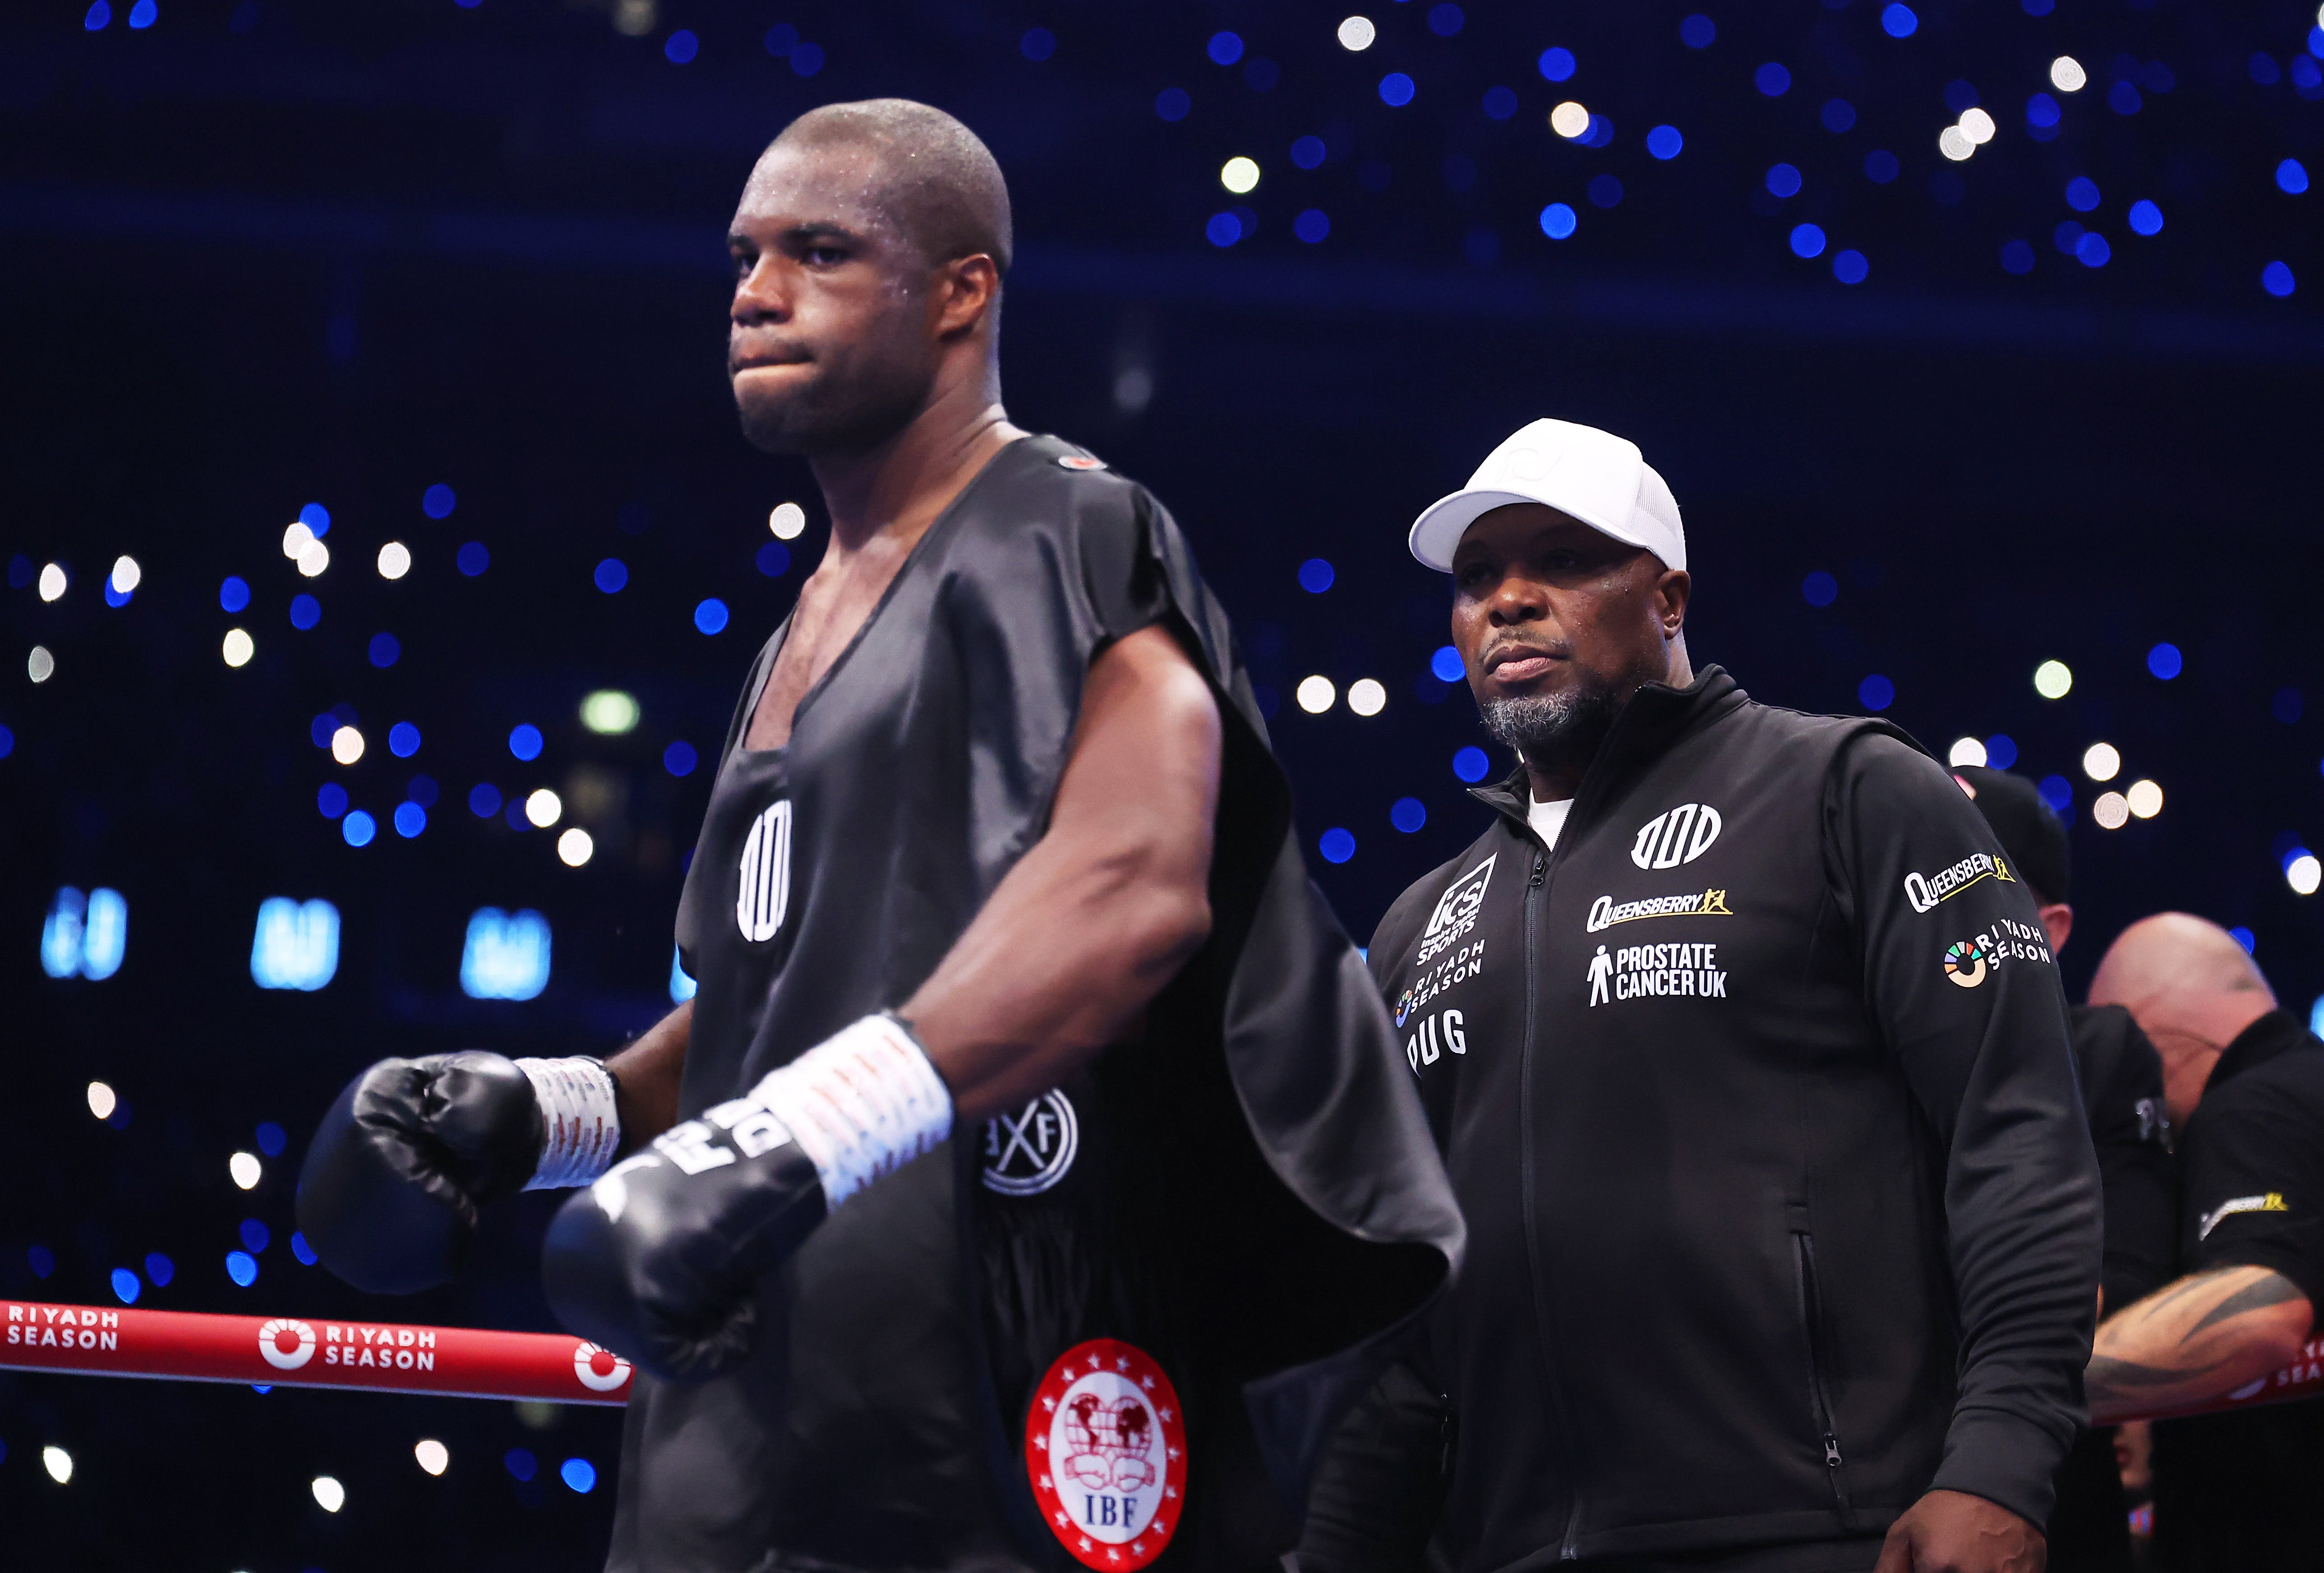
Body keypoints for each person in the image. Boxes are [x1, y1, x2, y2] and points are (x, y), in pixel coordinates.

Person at [294, 99, 1460, 1573]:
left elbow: (1132, 888)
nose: (754, 290)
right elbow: (760, 1032)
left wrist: (772, 1144)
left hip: (994, 1415)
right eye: (743, 254)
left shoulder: (1066, 529)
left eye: (821, 251)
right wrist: (551, 1112)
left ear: (962, 291)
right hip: (749, 1424)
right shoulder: (793, 638)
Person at [1296, 418, 2101, 1573]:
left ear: (1667, 597)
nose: (1507, 602)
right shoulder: (1417, 924)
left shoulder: (1851, 790)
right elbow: (1394, 1311)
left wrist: (2003, 1461)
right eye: (1477, 580)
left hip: (1825, 1535)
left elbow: (2016, 1134)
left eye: (1561, 562)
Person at [1950, 767, 2174, 1573]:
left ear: (2050, 927)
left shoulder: (2101, 1054)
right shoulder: (1840, 1055)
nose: (1941, 911)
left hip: (2045, 1498)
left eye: (1975, 884)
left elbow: (2126, 1279)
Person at [2083, 913, 2324, 1571]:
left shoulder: (2250, 1110)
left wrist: (2011, 1393)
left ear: (2148, 1040)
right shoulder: (2308, 1086)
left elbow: (2259, 1314)